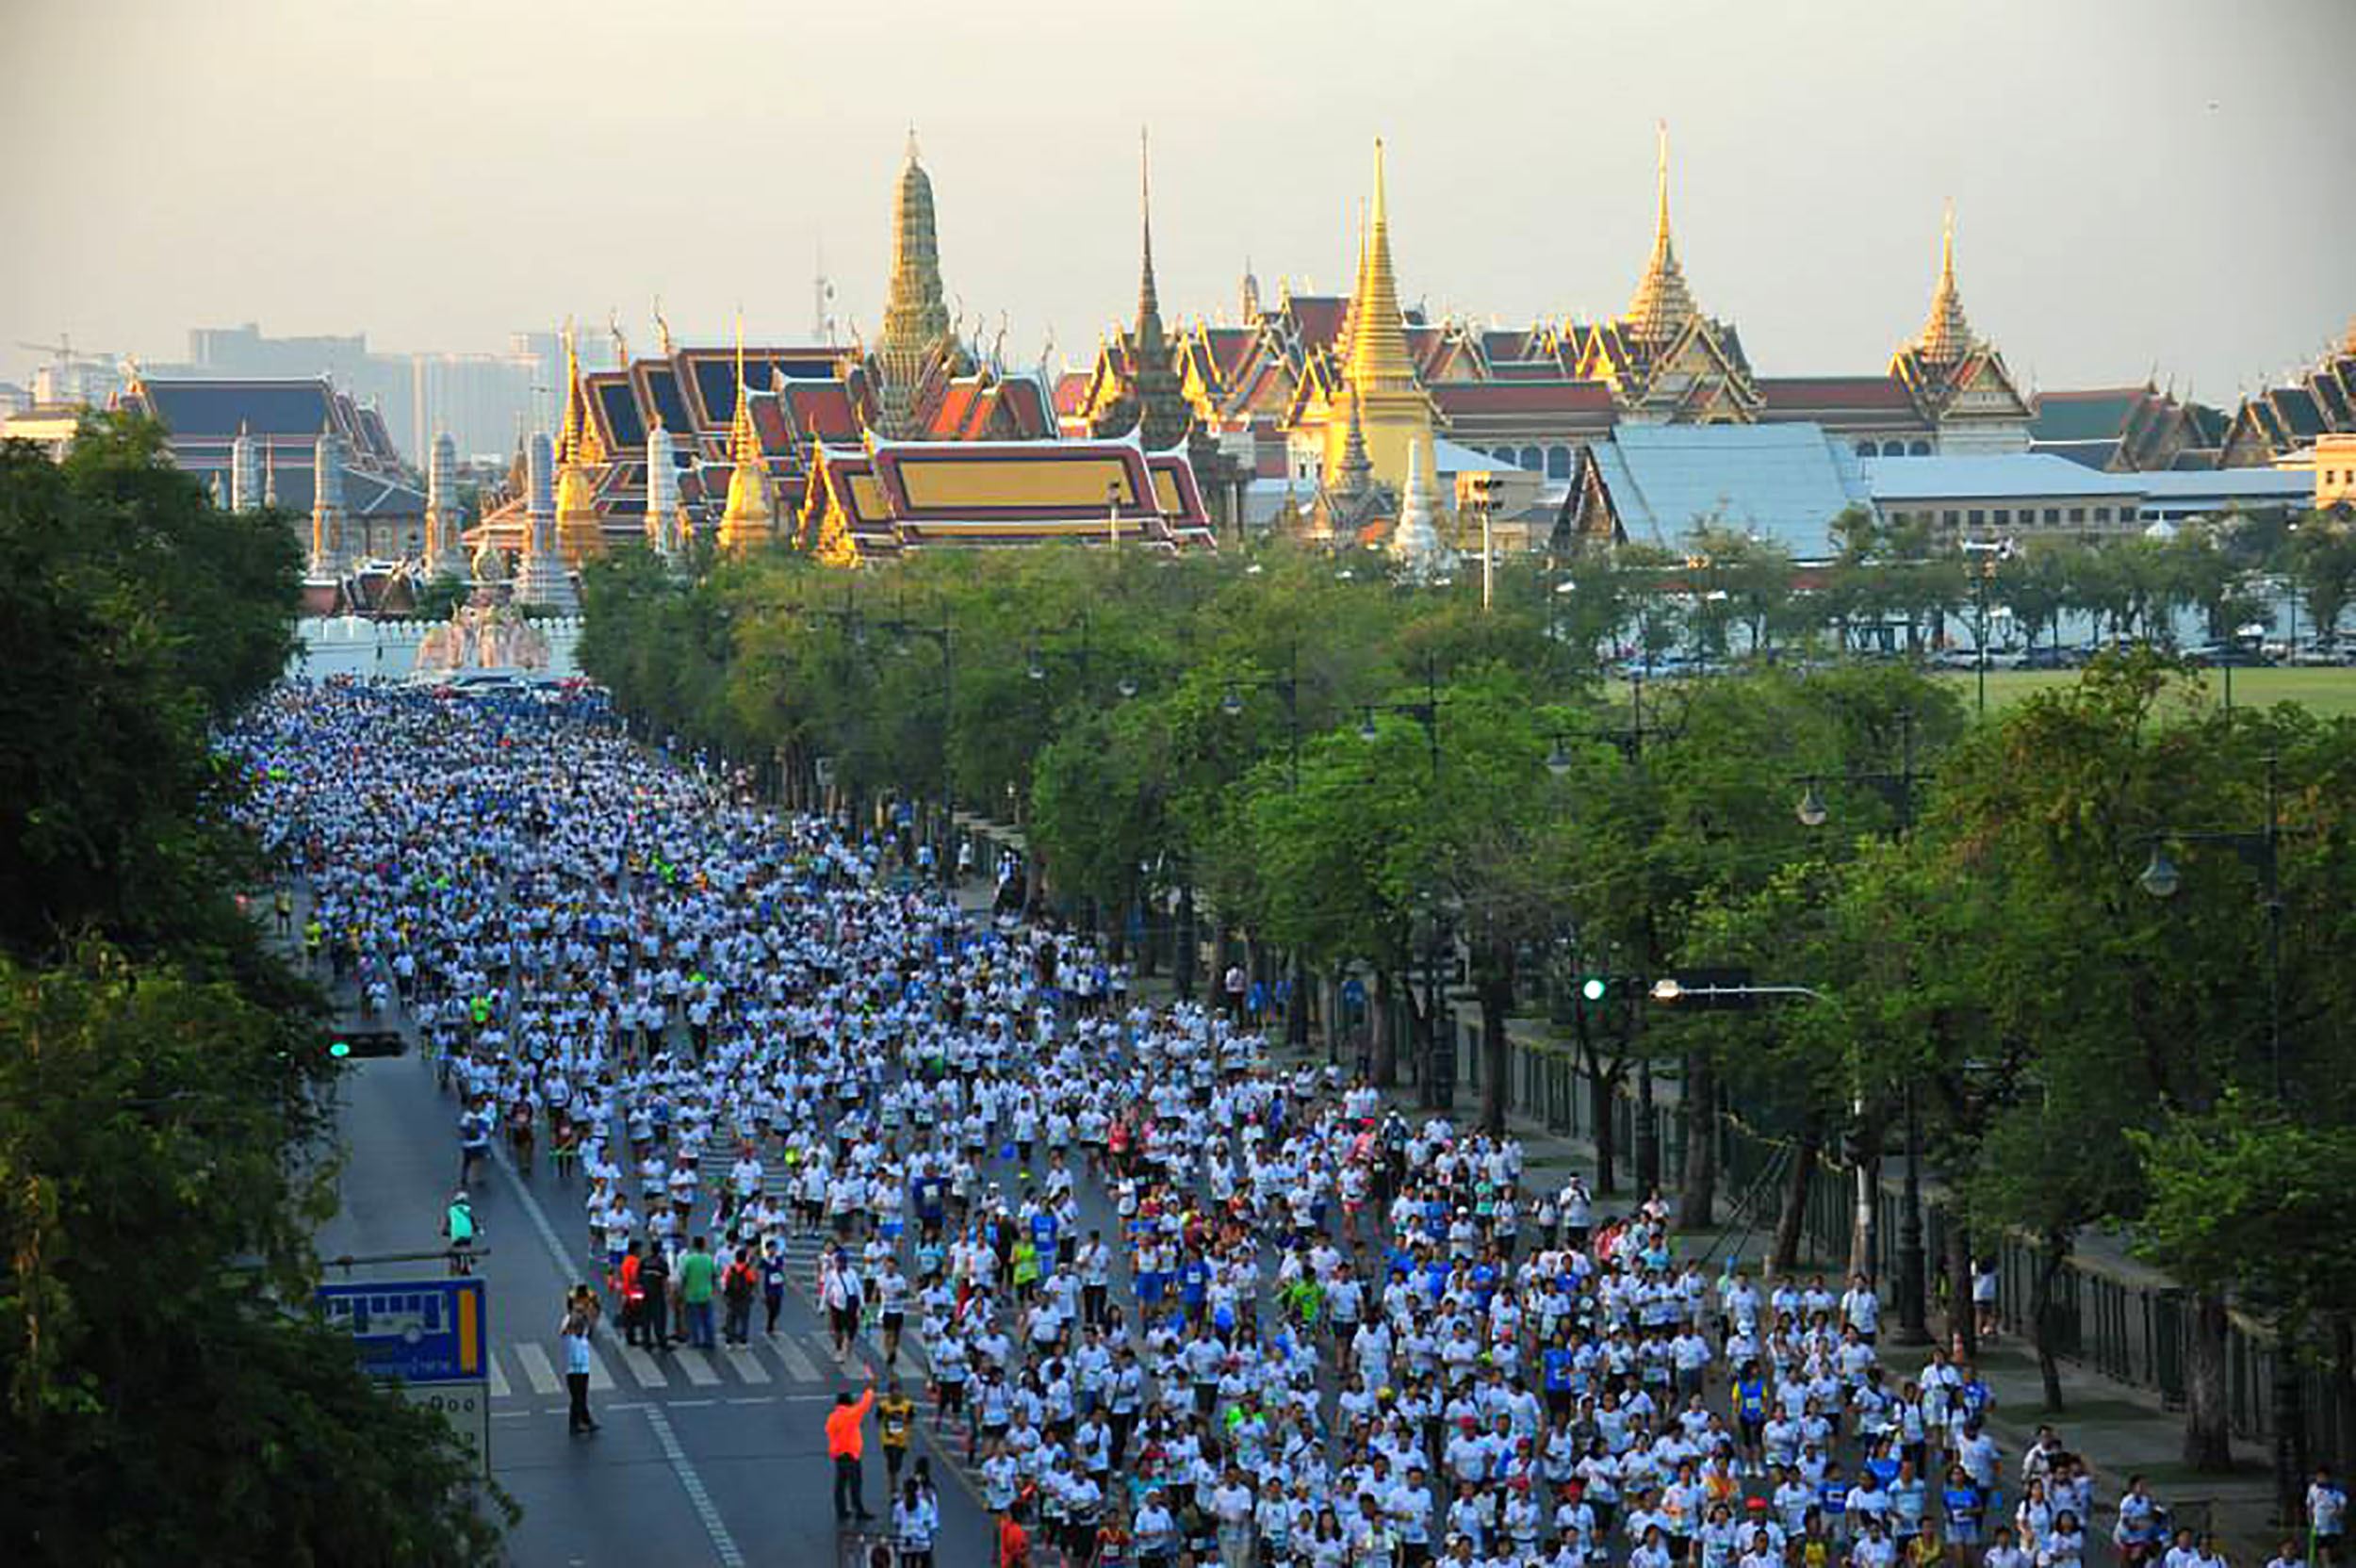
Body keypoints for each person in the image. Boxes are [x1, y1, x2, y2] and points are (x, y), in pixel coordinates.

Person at [827, 1371, 878, 1524]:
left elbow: (829, 1431)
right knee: (855, 1484)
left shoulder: (832, 1417)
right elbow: (865, 1403)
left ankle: (841, 1511)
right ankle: (859, 1510)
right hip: (851, 1455)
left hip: (838, 1455)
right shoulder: (851, 1414)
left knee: (840, 1484)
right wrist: (870, 1387)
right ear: (849, 1403)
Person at [561, 1286, 601, 1436]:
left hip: (583, 1365)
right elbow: (565, 1331)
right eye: (578, 1304)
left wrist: (593, 1303)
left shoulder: (585, 1321)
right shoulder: (569, 1319)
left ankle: (586, 1421)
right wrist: (575, 1318)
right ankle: (575, 1424)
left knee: (581, 1395)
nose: (582, 1307)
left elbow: (595, 1315)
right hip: (573, 1366)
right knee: (578, 1397)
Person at [876, 1379, 916, 1494]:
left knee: (898, 1464)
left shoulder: (908, 1405)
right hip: (888, 1440)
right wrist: (888, 1419)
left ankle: (895, 1483)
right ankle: (894, 1488)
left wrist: (905, 1420)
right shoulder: (883, 1405)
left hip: (902, 1440)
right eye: (894, 1392)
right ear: (890, 1393)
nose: (897, 1394)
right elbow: (878, 1419)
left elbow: (911, 1419)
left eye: (899, 1392)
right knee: (892, 1462)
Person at [443, 1190, 476, 1275]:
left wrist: (446, 1231)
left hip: (457, 1238)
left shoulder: (452, 1211)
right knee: (467, 1244)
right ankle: (470, 1257)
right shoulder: (467, 1210)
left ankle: (454, 1267)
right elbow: (472, 1222)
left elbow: (447, 1225)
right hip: (467, 1237)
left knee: (454, 1250)